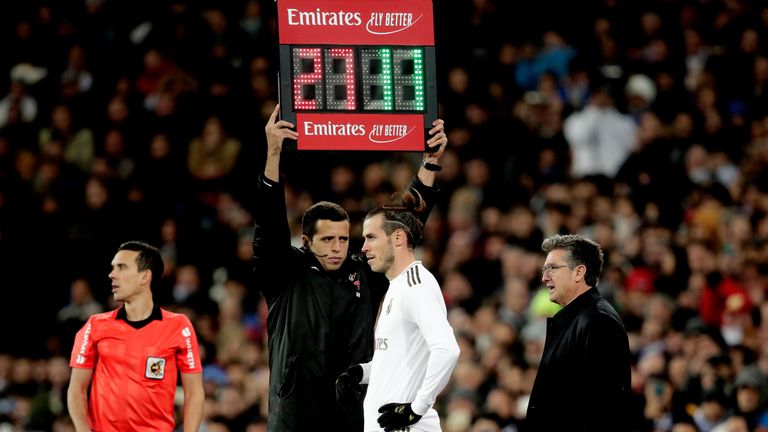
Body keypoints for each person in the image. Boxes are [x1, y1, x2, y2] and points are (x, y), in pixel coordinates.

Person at [253, 104, 447, 432]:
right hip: (295, 416)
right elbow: (269, 224)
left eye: (343, 239)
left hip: (354, 414)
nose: (337, 248)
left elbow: (405, 222)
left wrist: (429, 163)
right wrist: (273, 153)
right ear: (305, 240)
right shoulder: (285, 274)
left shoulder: (364, 272)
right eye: (327, 239)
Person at [336, 193, 460, 432]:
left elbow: (447, 349)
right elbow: (401, 361)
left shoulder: (417, 285)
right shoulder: (398, 286)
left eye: (371, 237)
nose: (364, 248)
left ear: (398, 238)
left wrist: (416, 409)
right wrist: (361, 372)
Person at [67, 241, 204, 432]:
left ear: (145, 276)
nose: (112, 274)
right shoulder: (95, 325)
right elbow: (76, 389)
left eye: (122, 267)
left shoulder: (178, 326)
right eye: (113, 268)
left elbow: (194, 392)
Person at [525, 234, 631, 431]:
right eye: (544, 269)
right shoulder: (578, 318)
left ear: (579, 272)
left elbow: (605, 407)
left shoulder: (599, 321)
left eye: (552, 268)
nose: (544, 277)